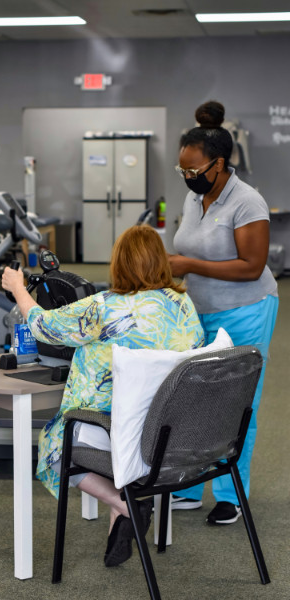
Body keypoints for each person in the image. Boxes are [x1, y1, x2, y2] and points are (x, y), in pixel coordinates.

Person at [2, 224, 204, 566]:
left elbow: (45, 326)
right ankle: (124, 510)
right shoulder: (182, 304)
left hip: (113, 425)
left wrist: (19, 289)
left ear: (119, 264)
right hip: (165, 428)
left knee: (51, 447)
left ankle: (125, 502)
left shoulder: (106, 307)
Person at [169, 100, 279, 526]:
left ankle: (233, 495)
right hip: (200, 311)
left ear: (219, 165)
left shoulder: (247, 202)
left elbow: (252, 266)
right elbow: (190, 247)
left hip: (246, 309)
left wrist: (190, 265)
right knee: (192, 399)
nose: (188, 178)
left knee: (235, 404)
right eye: (183, 172)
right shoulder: (195, 196)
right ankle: (191, 488)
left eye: (193, 171)